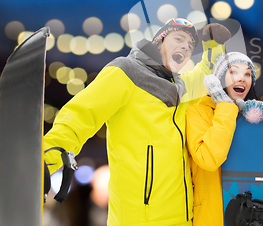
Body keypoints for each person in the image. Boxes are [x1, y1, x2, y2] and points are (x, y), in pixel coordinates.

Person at [43, 18, 231, 226]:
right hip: (139, 219)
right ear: (159, 41)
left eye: (189, 46)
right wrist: (45, 160)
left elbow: (206, 72)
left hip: (182, 219)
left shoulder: (181, 87)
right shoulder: (126, 71)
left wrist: (214, 45)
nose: (185, 48)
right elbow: (81, 115)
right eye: (178, 38)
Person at [186, 52, 263, 226]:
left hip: (251, 213)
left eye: (247, 74)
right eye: (233, 72)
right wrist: (225, 106)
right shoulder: (197, 112)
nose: (242, 78)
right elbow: (208, 159)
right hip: (212, 215)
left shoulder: (251, 116)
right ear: (220, 79)